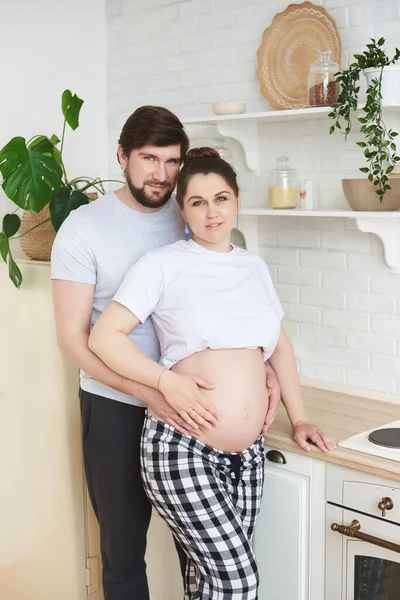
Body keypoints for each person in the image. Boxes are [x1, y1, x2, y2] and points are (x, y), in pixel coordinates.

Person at [50, 108, 281, 600]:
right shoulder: (84, 227)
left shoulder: (193, 216)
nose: (160, 173)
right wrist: (149, 387)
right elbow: (73, 338)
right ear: (122, 157)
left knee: (201, 559)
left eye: (171, 161)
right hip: (116, 404)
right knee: (123, 551)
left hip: (194, 412)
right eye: (147, 159)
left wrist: (263, 370)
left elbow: (227, 311)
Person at [89, 147, 336, 600]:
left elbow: (277, 345)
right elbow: (104, 336)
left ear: (237, 200)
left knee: (207, 584)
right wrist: (165, 381)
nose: (211, 211)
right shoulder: (163, 264)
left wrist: (298, 417)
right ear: (182, 210)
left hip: (249, 456)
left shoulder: (253, 267)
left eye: (220, 198)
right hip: (184, 447)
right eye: (197, 202)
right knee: (237, 580)